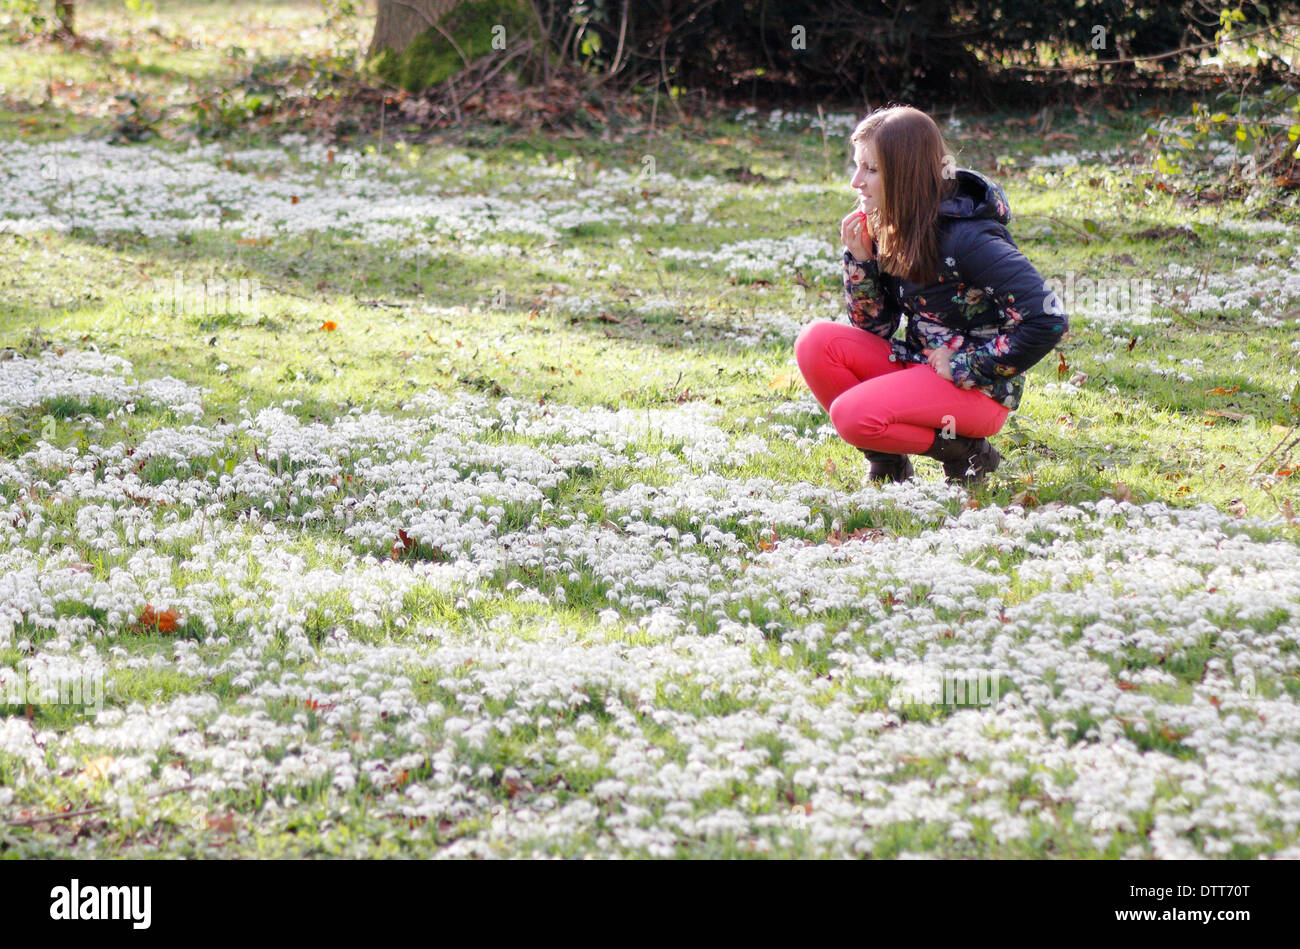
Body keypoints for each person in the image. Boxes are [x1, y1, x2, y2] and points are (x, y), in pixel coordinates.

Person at [794, 105, 1069, 486]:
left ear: (905, 175)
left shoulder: (968, 238)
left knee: (851, 416)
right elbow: (877, 326)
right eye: (857, 166)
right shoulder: (891, 222)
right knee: (815, 343)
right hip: (921, 365)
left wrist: (965, 365)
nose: (856, 181)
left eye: (871, 170)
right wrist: (861, 264)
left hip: (977, 391)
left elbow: (1049, 317)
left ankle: (968, 452)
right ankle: (888, 464)